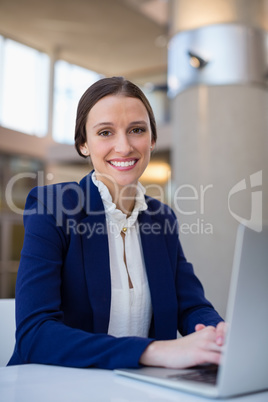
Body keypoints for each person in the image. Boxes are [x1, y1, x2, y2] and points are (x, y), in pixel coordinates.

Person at [8, 76, 226, 370]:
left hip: (135, 388)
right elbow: (35, 334)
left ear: (151, 140)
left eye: (137, 130)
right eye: (105, 132)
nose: (123, 147)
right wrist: (153, 351)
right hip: (55, 387)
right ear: (84, 144)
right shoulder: (53, 208)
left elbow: (191, 306)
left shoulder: (161, 218)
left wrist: (218, 334)